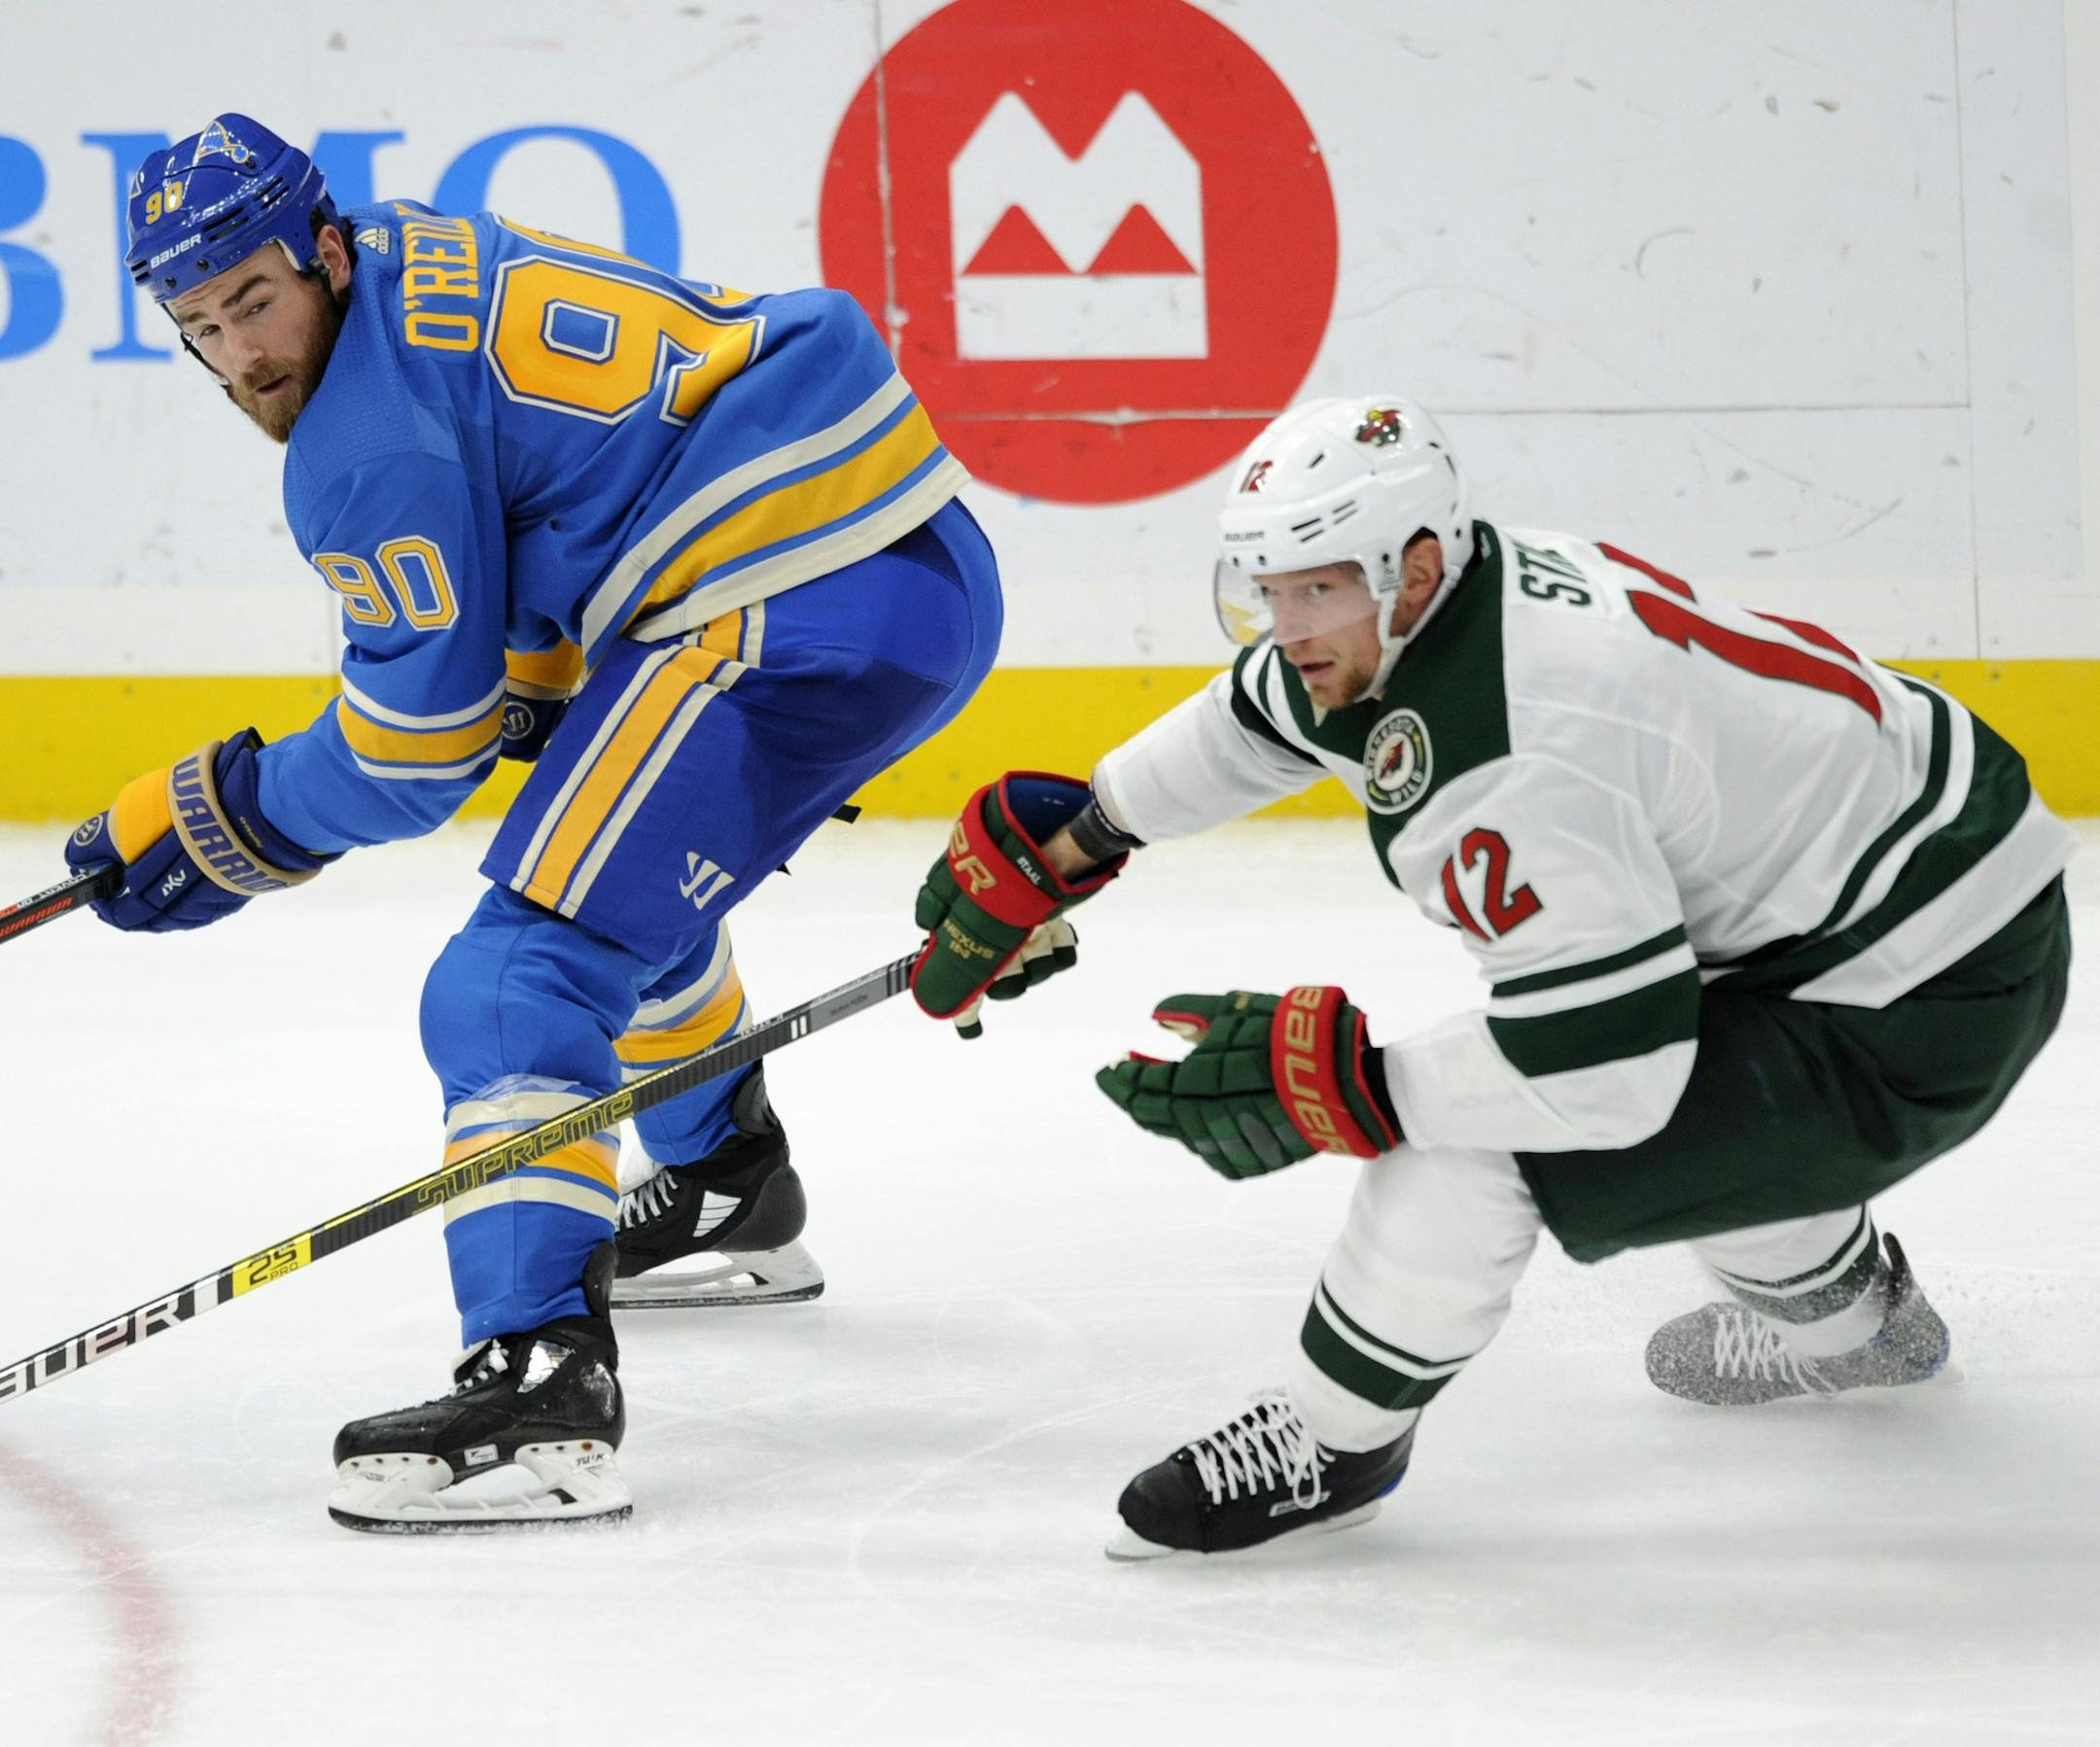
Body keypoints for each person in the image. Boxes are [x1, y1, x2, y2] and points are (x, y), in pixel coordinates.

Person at [907, 395, 2073, 1558]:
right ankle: (1861, 1333)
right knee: (1719, 1120)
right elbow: (1260, 719)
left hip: (1919, 998)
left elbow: (1610, 1071)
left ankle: (1333, 1446)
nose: (1289, 626)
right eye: (1269, 592)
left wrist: (1359, 1087)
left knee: (1471, 1148)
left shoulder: (1517, 744)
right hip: (1915, 901)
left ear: (1413, 568)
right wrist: (1081, 840)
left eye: (1318, 590)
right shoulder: (1461, 598)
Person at [67, 115, 1001, 1529]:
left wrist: (223, 815)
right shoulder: (403, 251)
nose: (241, 353)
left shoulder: (358, 449)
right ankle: (725, 1178)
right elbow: (549, 488)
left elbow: (413, 752)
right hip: (896, 554)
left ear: (318, 249)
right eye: (198, 325)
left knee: (515, 976)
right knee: (599, 866)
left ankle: (541, 1387)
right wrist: (529, 685)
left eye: (254, 299)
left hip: (784, 600)